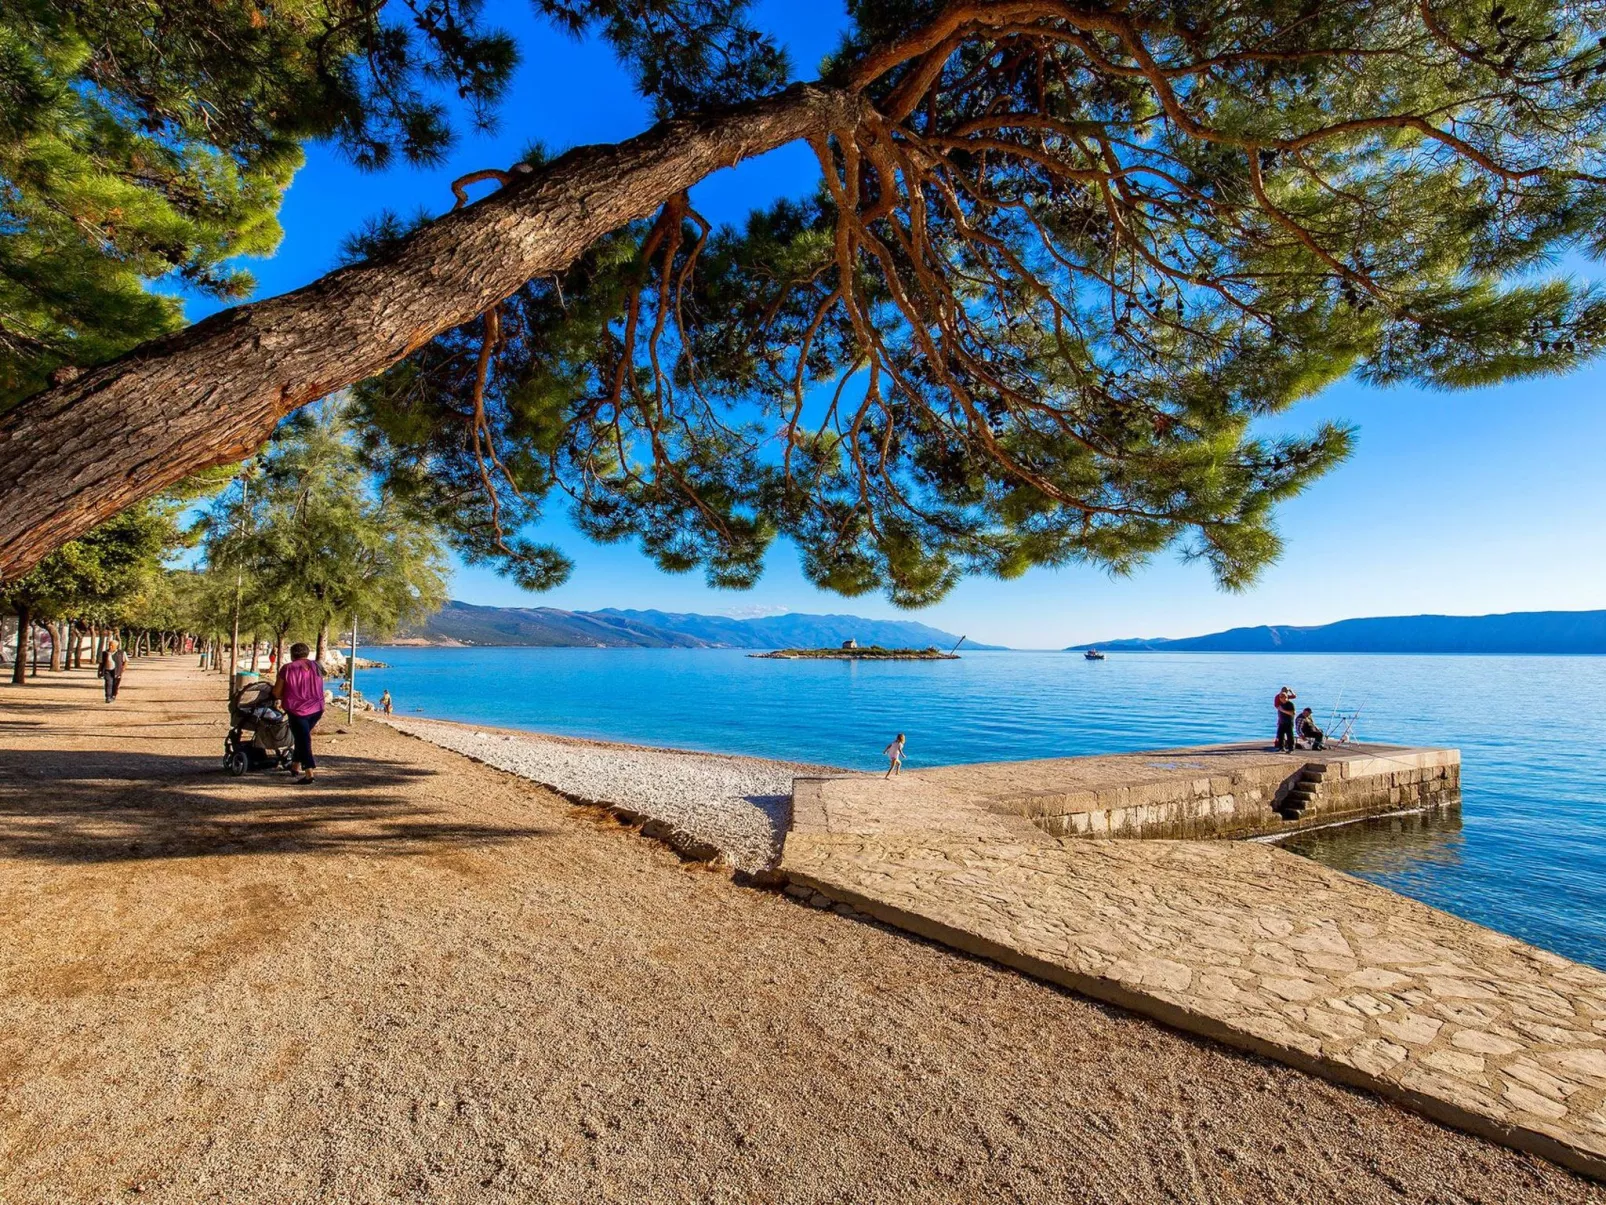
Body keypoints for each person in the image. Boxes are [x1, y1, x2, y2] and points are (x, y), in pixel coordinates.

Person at [272, 642, 325, 783]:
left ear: (292, 654)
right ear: (307, 654)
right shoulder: (317, 666)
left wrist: (287, 695)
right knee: (301, 737)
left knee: (303, 739)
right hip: (317, 708)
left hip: (297, 710)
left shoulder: (287, 668)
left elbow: (276, 692)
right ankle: (295, 766)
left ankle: (309, 773)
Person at [98, 637, 126, 703]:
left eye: (112, 645)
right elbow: (101, 663)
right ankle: (108, 697)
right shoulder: (105, 653)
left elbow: (126, 661)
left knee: (115, 684)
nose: (110, 646)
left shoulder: (121, 653)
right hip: (107, 670)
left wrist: (122, 669)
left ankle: (113, 695)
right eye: (110, 645)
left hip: (117, 671)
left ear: (116, 646)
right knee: (108, 683)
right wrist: (99, 671)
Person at [1274, 687, 1297, 752]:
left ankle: (1291, 748)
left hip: (1289, 722)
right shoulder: (1281, 704)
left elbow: (1293, 713)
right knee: (1280, 734)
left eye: (1282, 697)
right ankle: (1281, 747)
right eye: (1280, 698)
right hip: (1282, 721)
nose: (1281, 699)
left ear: (1286, 697)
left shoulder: (1290, 704)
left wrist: (1283, 710)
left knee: (1289, 735)